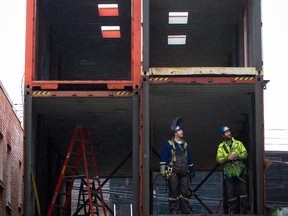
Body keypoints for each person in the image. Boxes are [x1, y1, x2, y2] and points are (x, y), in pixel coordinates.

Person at [159, 117, 195, 214]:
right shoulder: (168, 144)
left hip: (184, 172)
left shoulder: (185, 145)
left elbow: (189, 160)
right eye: (180, 130)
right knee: (173, 192)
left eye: (182, 130)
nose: (182, 131)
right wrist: (163, 171)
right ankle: (174, 211)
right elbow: (163, 158)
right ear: (175, 132)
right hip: (173, 172)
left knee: (184, 192)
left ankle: (186, 211)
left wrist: (192, 171)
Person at [216, 125, 249, 214]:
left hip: (240, 172)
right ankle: (232, 212)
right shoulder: (221, 147)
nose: (229, 133)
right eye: (226, 132)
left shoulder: (238, 143)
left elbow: (245, 154)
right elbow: (218, 159)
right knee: (231, 195)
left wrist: (238, 156)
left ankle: (244, 212)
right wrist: (228, 158)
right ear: (223, 135)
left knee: (243, 193)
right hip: (229, 173)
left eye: (229, 131)